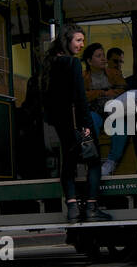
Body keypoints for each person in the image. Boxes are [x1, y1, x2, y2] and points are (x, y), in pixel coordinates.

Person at [43, 26, 109, 223]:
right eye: (78, 40)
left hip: (62, 125)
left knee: (69, 164)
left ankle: (72, 208)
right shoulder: (72, 63)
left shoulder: (49, 64)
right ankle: (91, 207)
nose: (81, 45)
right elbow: (80, 99)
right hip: (80, 124)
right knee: (94, 161)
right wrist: (87, 126)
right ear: (67, 40)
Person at [83, 42, 129, 177]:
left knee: (121, 124)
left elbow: (123, 89)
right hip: (94, 111)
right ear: (89, 61)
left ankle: (111, 161)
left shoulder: (114, 73)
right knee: (90, 122)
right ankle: (93, 160)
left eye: (103, 55)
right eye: (98, 56)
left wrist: (110, 93)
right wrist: (102, 93)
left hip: (112, 111)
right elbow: (81, 96)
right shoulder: (83, 76)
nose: (103, 59)